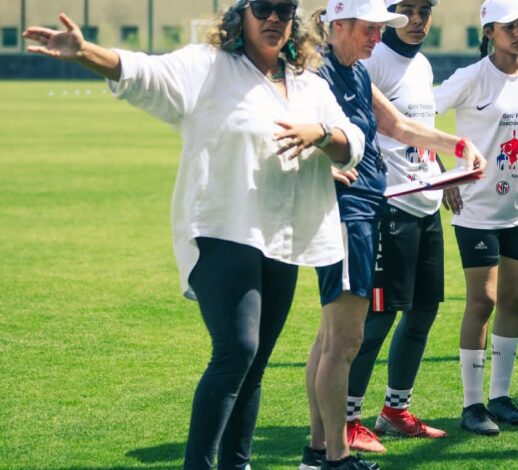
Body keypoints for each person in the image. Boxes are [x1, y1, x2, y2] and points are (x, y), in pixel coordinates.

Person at [23, 1, 366, 468]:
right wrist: (86, 52)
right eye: (263, 8)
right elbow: (145, 73)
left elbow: (352, 143)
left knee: (254, 364)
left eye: (283, 10)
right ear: (241, 14)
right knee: (237, 350)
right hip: (221, 229)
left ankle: (236, 464)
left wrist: (321, 134)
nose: (273, 19)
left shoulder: (310, 86)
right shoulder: (208, 68)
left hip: (281, 236)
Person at [300, 0, 486, 467]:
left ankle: (320, 451)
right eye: (369, 28)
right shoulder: (317, 74)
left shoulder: (357, 74)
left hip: (369, 210)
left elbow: (399, 125)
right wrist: (319, 167)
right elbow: (288, 129)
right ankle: (335, 452)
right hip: (352, 213)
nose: (376, 37)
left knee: (333, 339)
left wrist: (459, 146)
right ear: (339, 24)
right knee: (344, 339)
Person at [433, 0, 518, 436]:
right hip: (477, 210)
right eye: (510, 26)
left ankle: (500, 398)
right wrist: (443, 174)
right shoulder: (471, 77)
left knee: (512, 300)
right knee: (482, 301)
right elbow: (417, 118)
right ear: (489, 32)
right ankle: (472, 405)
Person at [342, 0, 448, 454]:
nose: (417, 19)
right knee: (378, 317)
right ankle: (347, 419)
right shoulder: (374, 61)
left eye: (425, 10)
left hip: (427, 205)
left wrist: (443, 172)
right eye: (408, 9)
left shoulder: (422, 65)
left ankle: (395, 411)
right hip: (390, 207)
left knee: (423, 311)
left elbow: (418, 130)